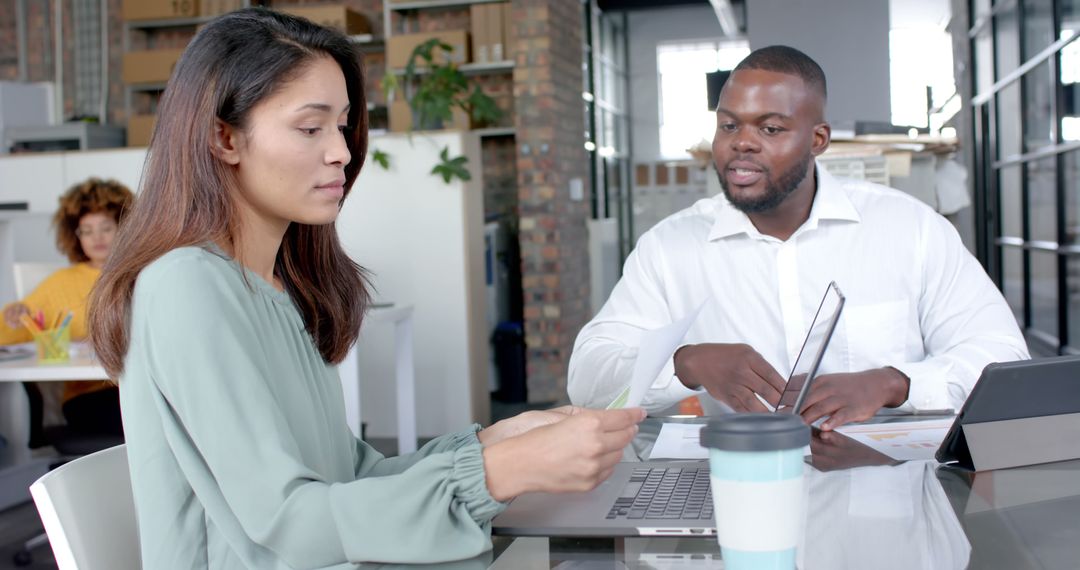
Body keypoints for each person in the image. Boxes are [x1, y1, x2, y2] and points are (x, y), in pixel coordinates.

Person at [88, 8, 643, 568]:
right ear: (224, 138)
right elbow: (288, 523)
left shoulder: (274, 287)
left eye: (343, 125)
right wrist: (508, 470)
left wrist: (499, 442)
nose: (342, 151)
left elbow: (351, 479)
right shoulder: (185, 287)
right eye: (311, 128)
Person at [567, 45, 1028, 430]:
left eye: (770, 128)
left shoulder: (909, 229)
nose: (742, 142)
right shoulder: (670, 248)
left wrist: (894, 384)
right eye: (729, 125)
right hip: (743, 493)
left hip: (886, 497)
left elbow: (1002, 359)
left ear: (818, 139)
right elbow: (588, 378)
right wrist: (685, 362)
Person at [1, 178, 133, 436]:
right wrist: (14, 314)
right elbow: (16, 330)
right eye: (86, 230)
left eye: (106, 227)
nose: (97, 238)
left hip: (140, 388)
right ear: (75, 235)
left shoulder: (141, 274)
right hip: (90, 396)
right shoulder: (60, 283)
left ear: (124, 226)